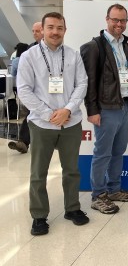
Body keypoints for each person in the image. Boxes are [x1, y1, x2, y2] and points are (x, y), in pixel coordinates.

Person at [17, 12, 89, 235]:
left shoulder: (73, 55)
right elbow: (24, 90)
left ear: (65, 30)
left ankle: (72, 208)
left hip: (71, 122)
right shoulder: (29, 56)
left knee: (72, 170)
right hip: (41, 124)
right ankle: (39, 216)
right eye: (51, 27)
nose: (55, 32)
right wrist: (50, 114)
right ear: (43, 29)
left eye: (59, 28)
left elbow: (82, 84)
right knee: (39, 173)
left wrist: (67, 110)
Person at [80, 4, 128, 214]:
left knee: (118, 152)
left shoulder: (124, 44)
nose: (119, 24)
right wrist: (92, 110)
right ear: (107, 19)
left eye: (123, 21)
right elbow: (89, 82)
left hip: (123, 106)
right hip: (105, 109)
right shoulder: (94, 47)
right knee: (102, 154)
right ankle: (98, 195)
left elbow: (127, 75)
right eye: (115, 20)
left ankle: (114, 190)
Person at [8, 22, 44, 154]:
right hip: (34, 89)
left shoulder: (58, 48)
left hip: (53, 91)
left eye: (37, 30)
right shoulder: (30, 50)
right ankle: (23, 142)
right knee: (31, 113)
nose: (34, 33)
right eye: (33, 31)